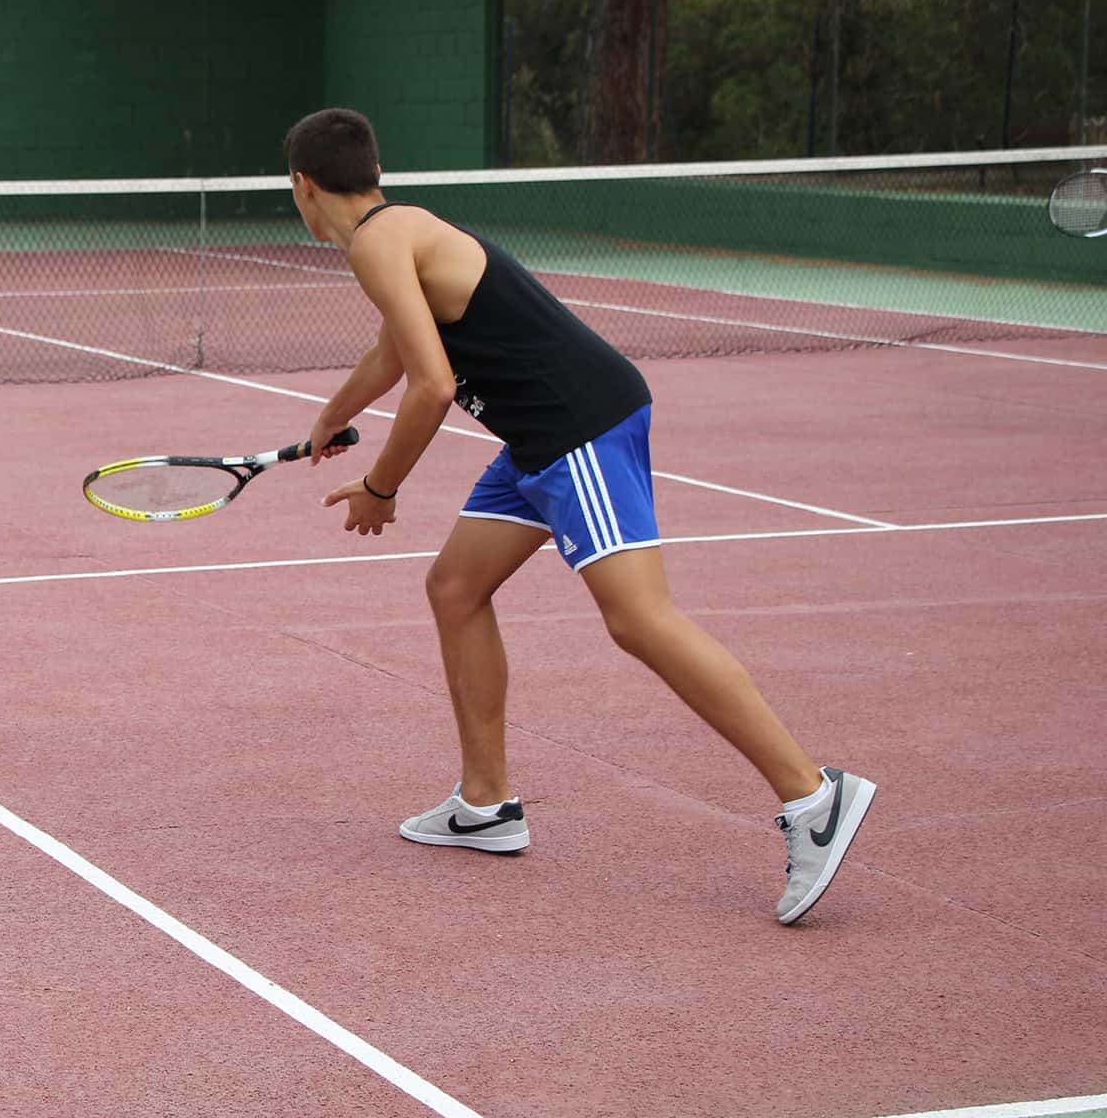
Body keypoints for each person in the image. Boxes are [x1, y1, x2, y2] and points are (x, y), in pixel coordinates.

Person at [286, 107, 876, 925]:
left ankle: (813, 797)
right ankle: (485, 803)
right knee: (456, 587)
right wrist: (329, 415)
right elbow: (396, 352)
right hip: (534, 441)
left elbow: (429, 385)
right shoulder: (400, 232)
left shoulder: (380, 243)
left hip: (579, 427)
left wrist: (382, 489)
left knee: (639, 620)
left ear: (303, 185)